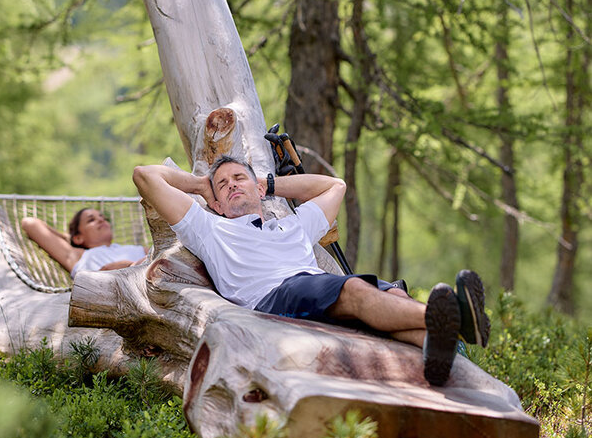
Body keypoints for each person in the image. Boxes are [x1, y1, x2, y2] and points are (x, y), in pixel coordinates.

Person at [132, 156, 490, 386]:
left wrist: (270, 185)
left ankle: (439, 354)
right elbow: (144, 176)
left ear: (257, 189)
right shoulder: (209, 229)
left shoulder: (293, 226)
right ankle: (456, 317)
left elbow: (336, 186)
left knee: (390, 291)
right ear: (217, 204)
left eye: (239, 178)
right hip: (275, 301)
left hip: (315, 288)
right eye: (222, 185)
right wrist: (199, 186)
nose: (231, 186)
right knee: (353, 290)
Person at [21, 207, 147, 279]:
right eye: (91, 220)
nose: (100, 220)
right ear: (78, 238)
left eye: (102, 217)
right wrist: (68, 238)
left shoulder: (138, 249)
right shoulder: (77, 256)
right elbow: (30, 223)